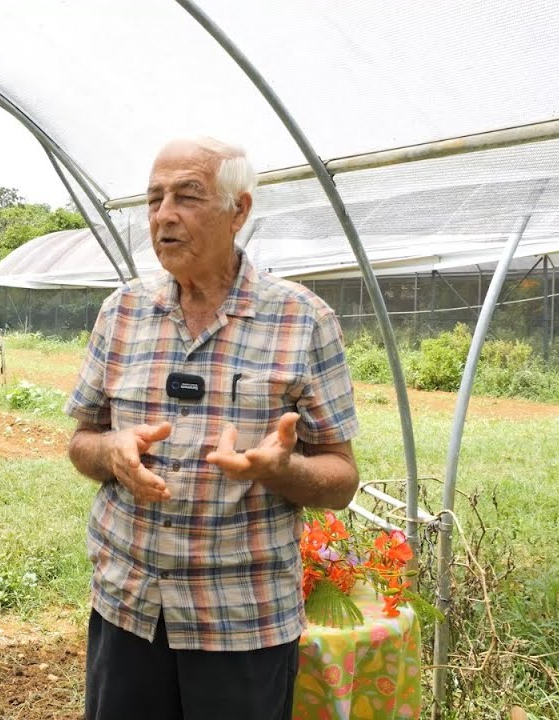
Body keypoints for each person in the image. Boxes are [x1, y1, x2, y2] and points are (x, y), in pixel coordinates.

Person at [64, 137, 361, 720]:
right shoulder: (120, 312)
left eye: (186, 196)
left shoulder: (304, 320)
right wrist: (114, 453)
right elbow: (80, 442)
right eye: (154, 199)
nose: (163, 215)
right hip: (128, 607)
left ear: (239, 211)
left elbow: (342, 478)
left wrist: (283, 470)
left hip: (242, 620)